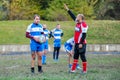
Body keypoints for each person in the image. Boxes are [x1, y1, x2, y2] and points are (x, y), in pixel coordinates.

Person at [64, 4, 88, 74]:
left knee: (82, 57)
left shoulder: (83, 24)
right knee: (75, 56)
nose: (76, 18)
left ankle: (84, 70)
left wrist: (81, 43)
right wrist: (68, 10)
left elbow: (84, 35)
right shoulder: (77, 22)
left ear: (81, 18)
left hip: (82, 43)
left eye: (78, 17)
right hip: (76, 43)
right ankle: (73, 70)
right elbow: (72, 16)